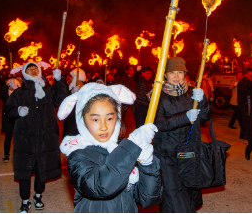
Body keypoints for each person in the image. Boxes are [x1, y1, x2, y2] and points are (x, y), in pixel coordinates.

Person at [58, 83, 163, 212]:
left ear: (117, 119)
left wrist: (148, 165)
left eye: (109, 118)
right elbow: (102, 187)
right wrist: (130, 148)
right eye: (95, 120)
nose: (104, 126)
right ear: (83, 120)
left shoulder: (123, 149)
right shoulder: (78, 156)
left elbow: (148, 200)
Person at [134, 57, 211, 212]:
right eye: (172, 73)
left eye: (180, 72)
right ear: (165, 75)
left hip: (187, 152)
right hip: (166, 153)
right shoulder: (158, 95)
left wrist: (202, 101)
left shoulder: (191, 93)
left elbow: (205, 117)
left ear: (185, 74)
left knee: (188, 190)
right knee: (172, 194)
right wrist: (185, 117)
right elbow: (159, 123)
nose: (176, 76)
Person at [4, 62, 64, 212]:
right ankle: (25, 201)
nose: (32, 70)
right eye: (29, 69)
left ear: (39, 71)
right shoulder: (19, 93)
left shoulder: (48, 91)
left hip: (45, 138)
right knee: (24, 170)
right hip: (25, 139)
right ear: (24, 73)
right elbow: (8, 112)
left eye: (35, 68)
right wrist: (17, 110)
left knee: (41, 168)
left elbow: (62, 97)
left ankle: (38, 195)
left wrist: (60, 80)